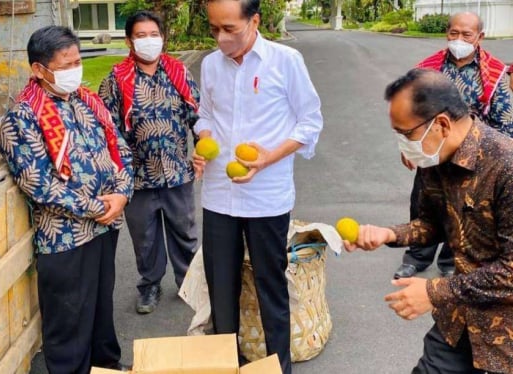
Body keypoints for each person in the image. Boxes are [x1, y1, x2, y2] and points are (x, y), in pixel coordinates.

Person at [346, 68, 513, 374]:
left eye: (406, 134)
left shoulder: (505, 166)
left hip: (503, 342)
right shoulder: (434, 157)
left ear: (442, 124)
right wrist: (388, 234)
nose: (403, 145)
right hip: (455, 325)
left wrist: (433, 292)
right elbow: (433, 224)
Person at [192, 0, 323, 372]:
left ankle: (276, 366)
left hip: (267, 196)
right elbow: (204, 115)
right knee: (221, 289)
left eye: (230, 29)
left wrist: (269, 157)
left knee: (270, 287)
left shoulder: (285, 61)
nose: (220, 38)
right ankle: (226, 363)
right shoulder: (210, 64)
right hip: (219, 193)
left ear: (255, 21)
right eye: (214, 28)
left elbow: (309, 122)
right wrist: (202, 143)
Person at [0, 26, 133, 374]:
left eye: (77, 62)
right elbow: (38, 183)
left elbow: (120, 150)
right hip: (65, 238)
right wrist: (99, 206)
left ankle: (106, 366)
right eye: (65, 64)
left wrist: (122, 192)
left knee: (101, 309)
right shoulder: (23, 117)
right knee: (69, 323)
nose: (75, 70)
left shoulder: (89, 101)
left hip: (106, 227)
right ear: (39, 69)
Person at [393, 11, 513, 280]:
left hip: (472, 161)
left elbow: (505, 123)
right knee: (422, 205)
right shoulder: (427, 69)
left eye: (466, 34)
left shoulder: (493, 76)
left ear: (479, 37)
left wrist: (495, 161)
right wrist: (407, 146)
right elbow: (410, 112)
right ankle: (416, 257)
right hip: (431, 153)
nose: (458, 39)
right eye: (453, 33)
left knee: (461, 212)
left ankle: (450, 259)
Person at [99, 10, 200, 315]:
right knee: (145, 238)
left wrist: (202, 151)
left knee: (185, 233)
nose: (148, 41)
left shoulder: (179, 72)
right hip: (137, 178)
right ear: (129, 40)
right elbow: (107, 130)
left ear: (162, 37)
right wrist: (118, 176)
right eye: (140, 36)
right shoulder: (116, 80)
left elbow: (198, 116)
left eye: (153, 35)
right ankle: (150, 285)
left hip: (177, 172)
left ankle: (190, 284)